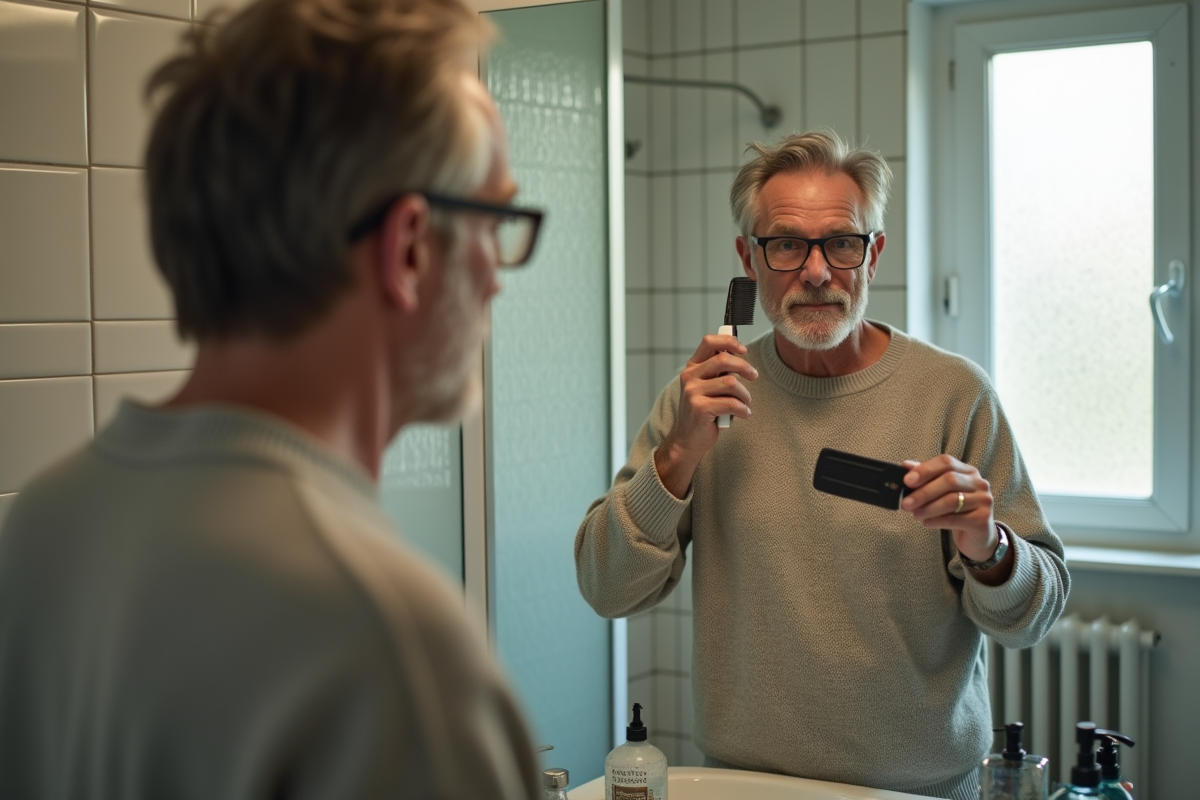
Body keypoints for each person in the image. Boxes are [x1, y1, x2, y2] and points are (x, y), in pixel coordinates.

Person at [0, 1, 545, 798]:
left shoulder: (46, 525)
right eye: (494, 220)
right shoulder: (391, 644)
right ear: (409, 248)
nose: (497, 275)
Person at [575, 130, 1069, 800]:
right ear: (748, 259)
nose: (815, 271)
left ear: (874, 257)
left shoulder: (955, 397)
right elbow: (608, 589)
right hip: (743, 787)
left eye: (841, 242)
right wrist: (678, 457)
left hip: (916, 792)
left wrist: (991, 549)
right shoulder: (702, 399)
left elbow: (1034, 615)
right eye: (785, 245)